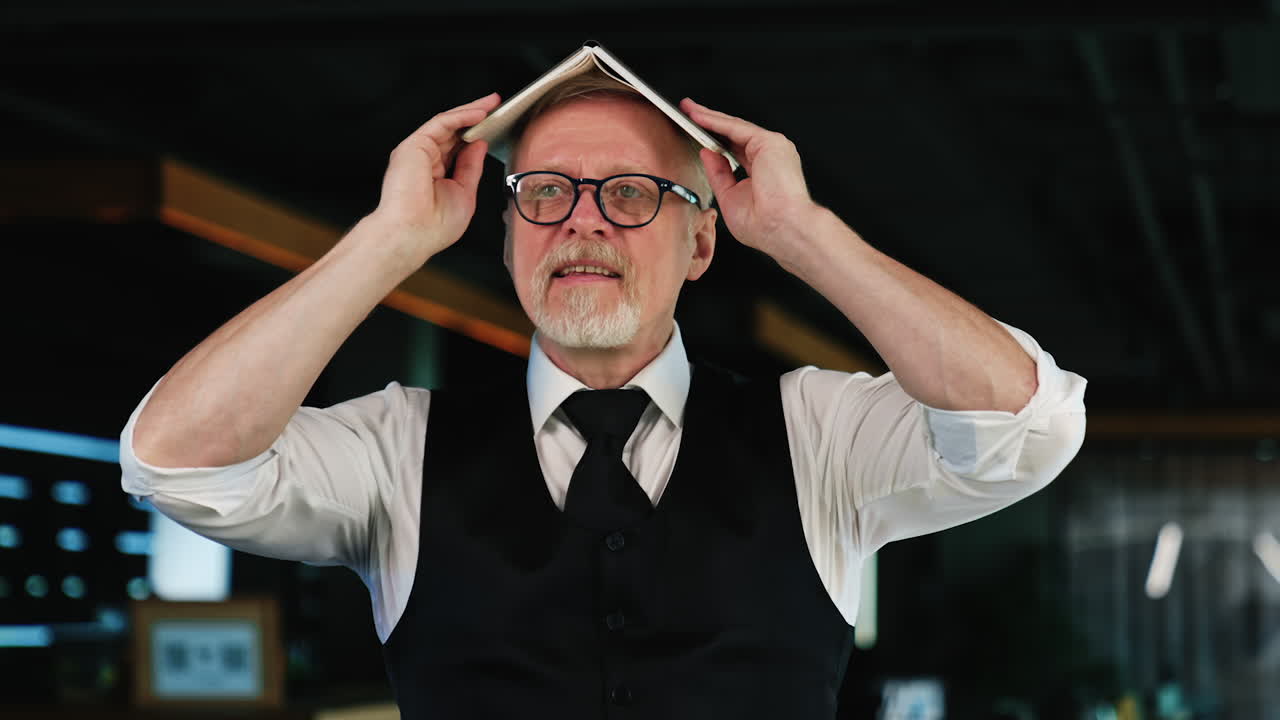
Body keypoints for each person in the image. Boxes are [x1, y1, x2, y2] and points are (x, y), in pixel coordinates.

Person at [120, 72, 1087, 718]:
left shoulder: (817, 435)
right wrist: (388, 239)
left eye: (630, 193)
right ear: (509, 238)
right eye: (545, 192)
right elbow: (174, 462)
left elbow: (1026, 422)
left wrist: (802, 233)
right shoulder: (397, 449)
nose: (582, 223)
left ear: (701, 241)